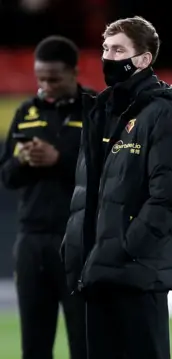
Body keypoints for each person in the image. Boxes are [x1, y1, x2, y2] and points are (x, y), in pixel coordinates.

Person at [61, 16, 172, 359]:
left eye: (118, 50)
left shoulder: (164, 114)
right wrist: (77, 247)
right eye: (105, 49)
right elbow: (88, 194)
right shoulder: (101, 112)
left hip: (136, 276)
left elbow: (169, 198)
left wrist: (124, 248)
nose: (108, 57)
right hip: (95, 274)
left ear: (143, 60)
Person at [0, 35, 91, 359]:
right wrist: (23, 160)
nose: (45, 86)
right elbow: (7, 175)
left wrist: (60, 159)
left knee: (85, 342)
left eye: (53, 78)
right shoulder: (26, 112)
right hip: (32, 241)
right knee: (34, 345)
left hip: (80, 240)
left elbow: (110, 171)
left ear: (73, 72)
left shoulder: (96, 109)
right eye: (40, 78)